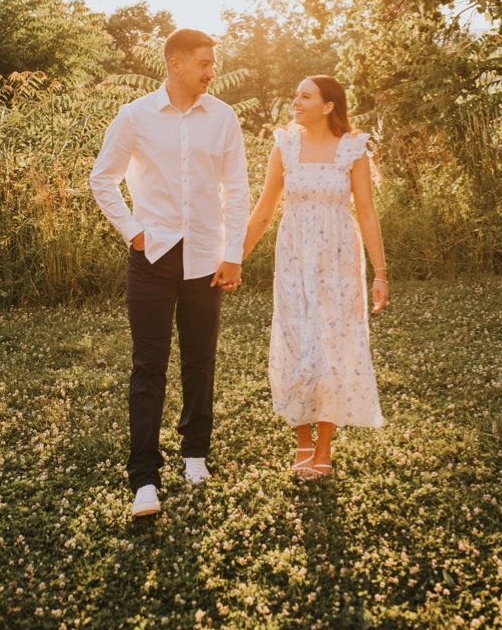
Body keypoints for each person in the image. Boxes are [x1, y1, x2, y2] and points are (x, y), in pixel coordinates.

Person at [90, 28, 250, 518]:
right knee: (148, 368)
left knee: (200, 362)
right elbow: (103, 178)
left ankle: (195, 455)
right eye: (204, 62)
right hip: (152, 258)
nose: (211, 71)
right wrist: (134, 232)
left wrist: (233, 253)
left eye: (213, 62)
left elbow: (237, 190)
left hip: (206, 258)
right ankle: (144, 479)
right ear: (175, 63)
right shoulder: (135, 116)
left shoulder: (223, 118)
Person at [241, 75, 386, 478]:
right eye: (295, 94)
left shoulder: (353, 150)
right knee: (298, 341)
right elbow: (264, 210)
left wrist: (381, 272)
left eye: (304, 96)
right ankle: (302, 441)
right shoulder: (284, 147)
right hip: (294, 256)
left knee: (331, 346)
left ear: (327, 106)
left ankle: (324, 447)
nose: (295, 102)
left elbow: (368, 213)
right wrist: (234, 259)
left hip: (339, 258)